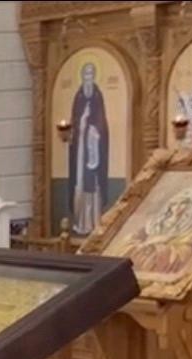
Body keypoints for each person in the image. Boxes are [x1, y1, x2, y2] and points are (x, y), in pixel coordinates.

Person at [68, 63, 110, 236]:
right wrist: (81, 123)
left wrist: (95, 131)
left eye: (91, 74)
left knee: (93, 183)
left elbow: (102, 122)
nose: (88, 77)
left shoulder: (98, 96)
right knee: (80, 182)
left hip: (94, 148)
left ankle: (95, 222)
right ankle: (82, 221)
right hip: (80, 149)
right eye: (86, 74)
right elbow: (73, 121)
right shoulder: (78, 97)